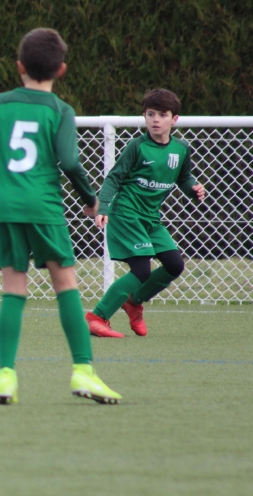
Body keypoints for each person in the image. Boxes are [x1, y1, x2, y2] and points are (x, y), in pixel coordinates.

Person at [0, 28, 121, 404]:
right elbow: (70, 162)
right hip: (44, 208)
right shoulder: (60, 110)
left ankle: (5, 376)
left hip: (5, 209)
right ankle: (83, 371)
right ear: (61, 70)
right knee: (66, 286)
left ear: (19, 66)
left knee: (13, 290)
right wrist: (91, 199)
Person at [86, 89, 206, 337]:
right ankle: (97, 317)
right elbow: (113, 178)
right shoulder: (137, 146)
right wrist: (103, 206)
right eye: (151, 114)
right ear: (144, 117)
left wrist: (193, 189)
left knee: (174, 265)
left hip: (151, 217)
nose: (155, 120)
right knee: (142, 270)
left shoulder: (181, 149)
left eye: (162, 115)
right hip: (126, 214)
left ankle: (134, 301)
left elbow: (184, 178)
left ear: (174, 119)